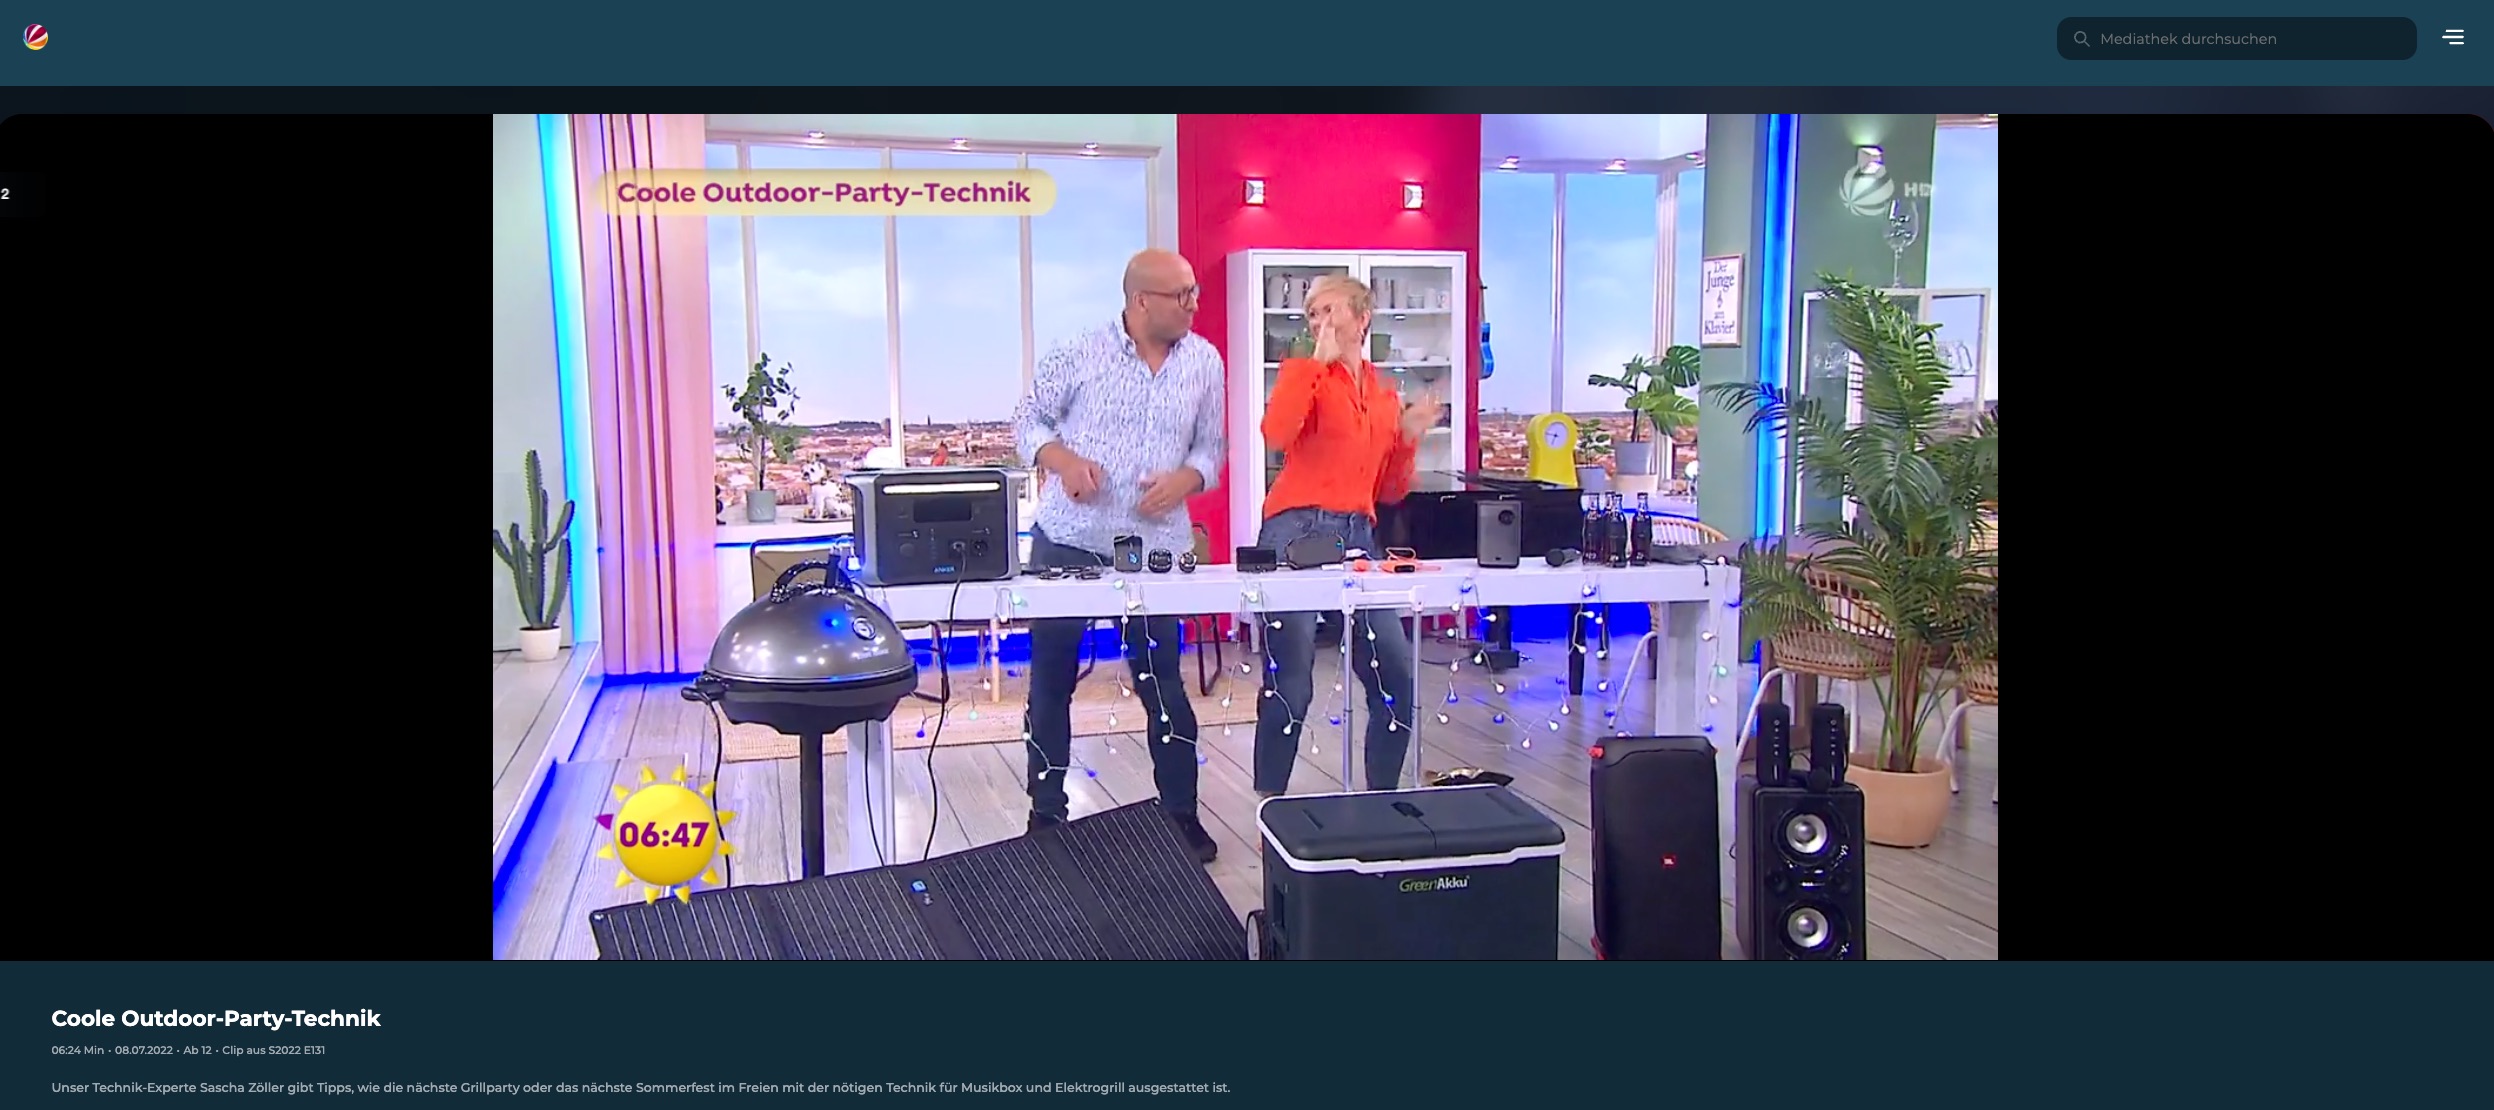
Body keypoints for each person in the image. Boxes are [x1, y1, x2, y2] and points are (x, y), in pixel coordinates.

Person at [1010, 248, 1226, 862]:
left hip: (1155, 551)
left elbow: (1212, 448)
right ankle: (1046, 816)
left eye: (1194, 292)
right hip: (1067, 540)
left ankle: (1181, 815)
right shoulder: (1080, 352)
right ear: (1140, 302)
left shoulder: (1204, 362)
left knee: (1163, 683)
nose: (1193, 304)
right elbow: (1027, 421)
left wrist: (1187, 479)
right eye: (1182, 294)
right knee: (1051, 682)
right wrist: (1063, 462)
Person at [1251, 274, 1445, 799]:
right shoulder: (1303, 373)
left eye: (1331, 310)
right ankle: (1271, 804)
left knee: (1395, 677)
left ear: (1363, 319)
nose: (1321, 321)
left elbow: (1389, 489)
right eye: (1313, 314)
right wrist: (1316, 360)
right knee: (1291, 684)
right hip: (1294, 530)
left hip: (1359, 535)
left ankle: (1382, 800)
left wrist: (1408, 438)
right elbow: (1277, 434)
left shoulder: (1383, 395)